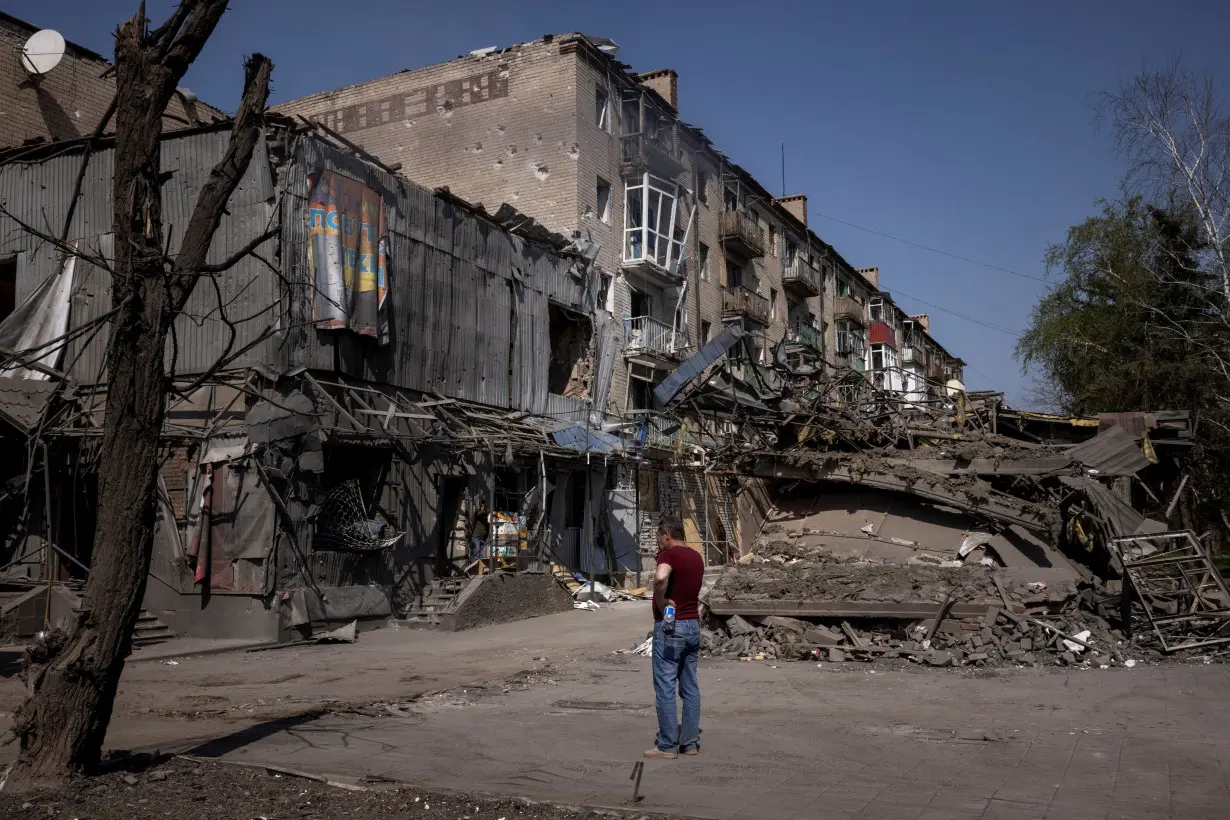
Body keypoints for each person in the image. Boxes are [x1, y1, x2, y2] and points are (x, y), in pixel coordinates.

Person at [645, 515, 704, 760]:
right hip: (693, 626)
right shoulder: (696, 557)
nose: (659, 543)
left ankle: (667, 745)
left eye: (660, 538)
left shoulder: (668, 555)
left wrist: (661, 601)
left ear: (667, 535)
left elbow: (660, 577)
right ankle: (689, 743)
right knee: (689, 685)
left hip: (671, 627)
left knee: (666, 686)